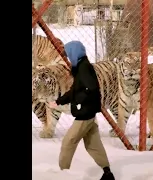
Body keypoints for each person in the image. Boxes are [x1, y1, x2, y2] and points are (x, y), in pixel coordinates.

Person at [49, 41, 115, 180]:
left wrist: (79, 101)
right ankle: (107, 173)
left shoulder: (84, 67)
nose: (67, 57)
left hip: (85, 114)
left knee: (68, 141)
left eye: (68, 54)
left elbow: (91, 88)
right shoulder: (81, 66)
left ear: (75, 53)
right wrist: (59, 101)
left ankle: (63, 174)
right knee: (93, 144)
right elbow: (75, 90)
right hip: (89, 112)